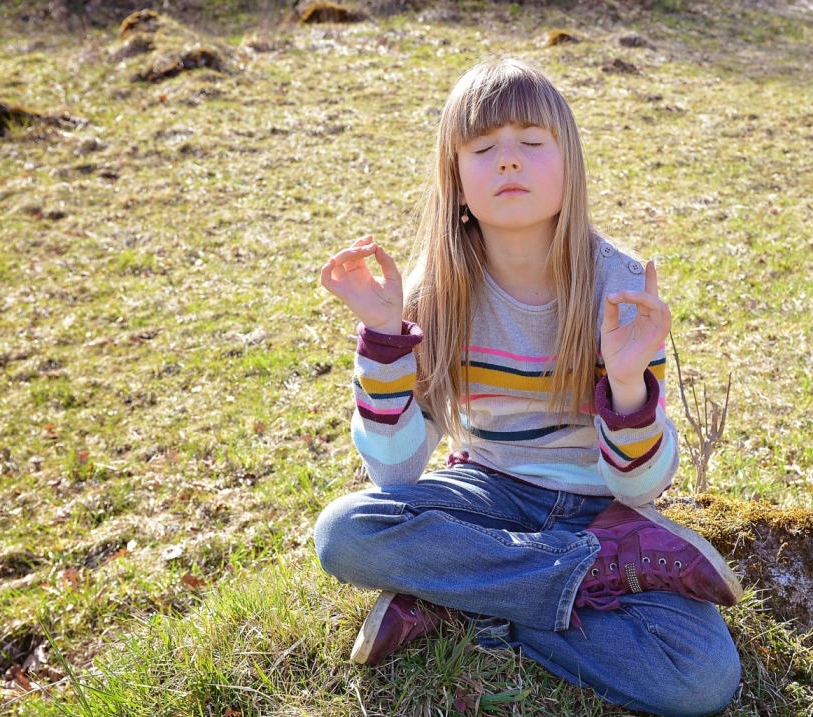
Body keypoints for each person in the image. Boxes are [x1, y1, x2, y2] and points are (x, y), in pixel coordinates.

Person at [313, 57, 742, 717]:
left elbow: (640, 487)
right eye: (483, 148)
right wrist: (381, 337)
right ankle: (565, 575)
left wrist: (626, 382)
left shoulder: (616, 289)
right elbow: (394, 474)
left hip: (606, 515)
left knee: (698, 680)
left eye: (531, 144)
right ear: (454, 180)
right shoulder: (435, 292)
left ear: (569, 166)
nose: (507, 161)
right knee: (342, 532)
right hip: (488, 497)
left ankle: (460, 593)